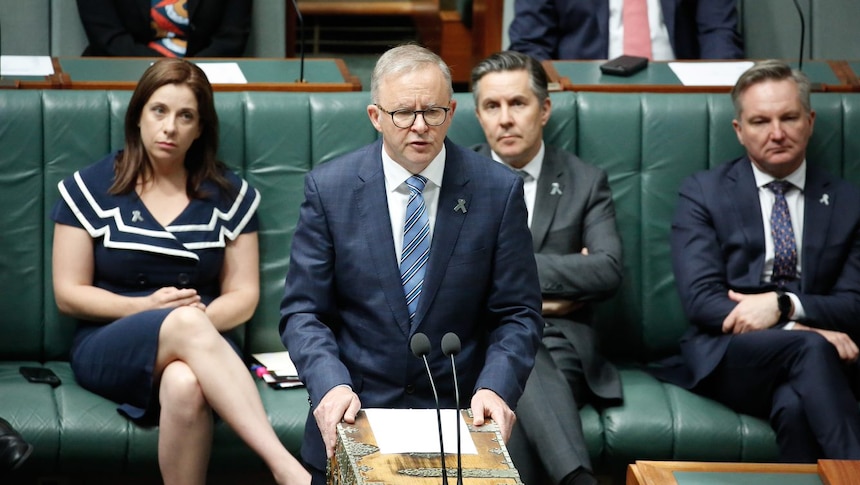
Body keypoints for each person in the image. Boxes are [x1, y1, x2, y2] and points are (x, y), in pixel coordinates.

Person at [279, 43, 544, 484]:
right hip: (354, 417)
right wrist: (330, 385)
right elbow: (303, 311)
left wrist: (496, 387)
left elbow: (518, 313)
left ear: (452, 110)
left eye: (433, 112)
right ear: (375, 116)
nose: (420, 126)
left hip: (459, 426)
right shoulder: (331, 189)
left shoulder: (497, 191)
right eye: (403, 113)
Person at [51, 58, 310, 485]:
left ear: (200, 128)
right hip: (108, 339)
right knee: (186, 325)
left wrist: (191, 328)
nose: (170, 127)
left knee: (186, 384)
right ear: (138, 116)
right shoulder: (90, 187)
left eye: (185, 116)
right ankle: (284, 468)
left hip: (204, 338)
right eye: (159, 111)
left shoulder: (230, 196)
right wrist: (150, 310)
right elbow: (68, 293)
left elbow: (243, 295)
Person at [655, 59, 860, 462]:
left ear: (810, 120)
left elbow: (856, 304)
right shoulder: (704, 193)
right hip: (730, 353)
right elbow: (701, 300)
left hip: (828, 360)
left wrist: (785, 305)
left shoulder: (850, 203)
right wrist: (795, 326)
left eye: (789, 117)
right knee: (808, 349)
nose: (777, 133)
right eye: (760, 121)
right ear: (739, 130)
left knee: (796, 408)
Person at [470, 51, 623, 485]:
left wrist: (502, 276)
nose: (505, 119)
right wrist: (546, 294)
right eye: (491, 107)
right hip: (474, 341)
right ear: (479, 115)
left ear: (545, 109)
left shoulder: (584, 180)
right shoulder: (456, 179)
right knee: (514, 353)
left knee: (520, 355)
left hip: (562, 345)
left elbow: (608, 270)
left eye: (517, 103)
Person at [508, 0, 743, 61]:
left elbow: (718, 31)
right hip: (582, 96)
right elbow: (530, 44)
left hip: (681, 98)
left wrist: (718, 92)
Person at [76, 0, 252, 57]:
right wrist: (164, 73)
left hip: (204, 74)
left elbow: (231, 38)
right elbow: (106, 37)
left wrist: (190, 75)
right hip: (121, 67)